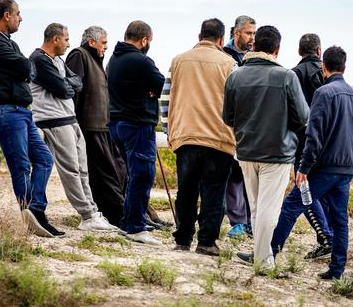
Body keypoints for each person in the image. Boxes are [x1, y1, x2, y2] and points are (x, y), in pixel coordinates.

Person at [223, 25, 308, 272]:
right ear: (277, 50)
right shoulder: (286, 77)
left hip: (247, 150)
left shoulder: (236, 76)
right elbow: (303, 117)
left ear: (254, 45)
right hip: (278, 152)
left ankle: (261, 256)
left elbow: (227, 116)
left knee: (258, 207)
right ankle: (264, 260)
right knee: (269, 210)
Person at [0, 0, 61, 237]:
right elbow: (27, 68)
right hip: (4, 110)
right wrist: (26, 68)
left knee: (44, 159)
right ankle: (31, 215)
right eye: (18, 14)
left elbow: (27, 67)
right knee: (21, 165)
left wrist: (27, 68)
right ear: (6, 15)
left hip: (21, 112)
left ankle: (35, 211)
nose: (20, 18)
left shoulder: (6, 42)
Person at [29, 23, 118, 232]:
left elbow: (77, 83)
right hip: (54, 121)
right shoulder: (39, 59)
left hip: (70, 120)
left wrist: (66, 85)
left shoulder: (58, 60)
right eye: (66, 39)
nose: (69, 44)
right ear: (55, 39)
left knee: (82, 170)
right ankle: (86, 215)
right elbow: (63, 89)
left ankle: (92, 212)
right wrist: (66, 85)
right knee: (71, 171)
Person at [166, 18, 236, 256]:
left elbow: (166, 98)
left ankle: (183, 238)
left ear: (199, 36)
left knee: (186, 191)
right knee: (214, 192)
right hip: (220, 138)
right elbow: (237, 102)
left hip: (186, 136)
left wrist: (170, 130)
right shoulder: (230, 64)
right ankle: (206, 242)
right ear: (220, 39)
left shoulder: (178, 61)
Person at [294, 46, 353, 280]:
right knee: (340, 219)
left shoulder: (323, 92)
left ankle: (270, 252)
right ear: (344, 66)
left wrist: (304, 167)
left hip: (324, 167)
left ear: (324, 66)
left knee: (293, 205)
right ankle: (337, 270)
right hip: (347, 168)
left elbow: (314, 137)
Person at [271, 33, 334, 260]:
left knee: (304, 190)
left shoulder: (293, 74)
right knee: (320, 192)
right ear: (319, 51)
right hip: (329, 142)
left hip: (302, 141)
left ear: (299, 52)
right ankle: (329, 236)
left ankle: (325, 236)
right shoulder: (328, 73)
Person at [107, 20, 165, 245]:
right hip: (137, 123)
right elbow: (160, 83)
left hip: (116, 123)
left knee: (133, 174)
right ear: (144, 40)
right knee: (143, 175)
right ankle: (135, 226)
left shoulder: (114, 59)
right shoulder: (141, 60)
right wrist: (150, 90)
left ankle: (129, 220)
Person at [65, 26, 127, 226]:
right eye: (104, 42)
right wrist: (74, 123)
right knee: (106, 175)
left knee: (119, 171)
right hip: (90, 126)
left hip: (104, 126)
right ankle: (120, 217)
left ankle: (122, 213)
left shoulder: (96, 60)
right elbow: (74, 90)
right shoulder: (79, 55)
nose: (106, 47)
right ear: (91, 42)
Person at [223, 15, 256, 238]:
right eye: (248, 33)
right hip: (230, 121)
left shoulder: (255, 57)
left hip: (252, 123)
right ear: (236, 33)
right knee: (232, 175)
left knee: (250, 174)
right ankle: (238, 221)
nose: (252, 37)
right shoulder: (224, 55)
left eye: (254, 33)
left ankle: (252, 222)